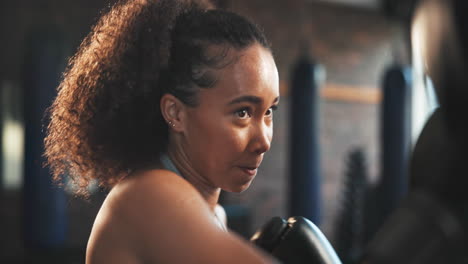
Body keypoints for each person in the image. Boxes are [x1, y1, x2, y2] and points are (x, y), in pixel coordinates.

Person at [44, 0, 280, 263]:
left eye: (269, 111)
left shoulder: (215, 215)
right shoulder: (150, 194)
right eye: (243, 112)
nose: (264, 141)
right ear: (175, 113)